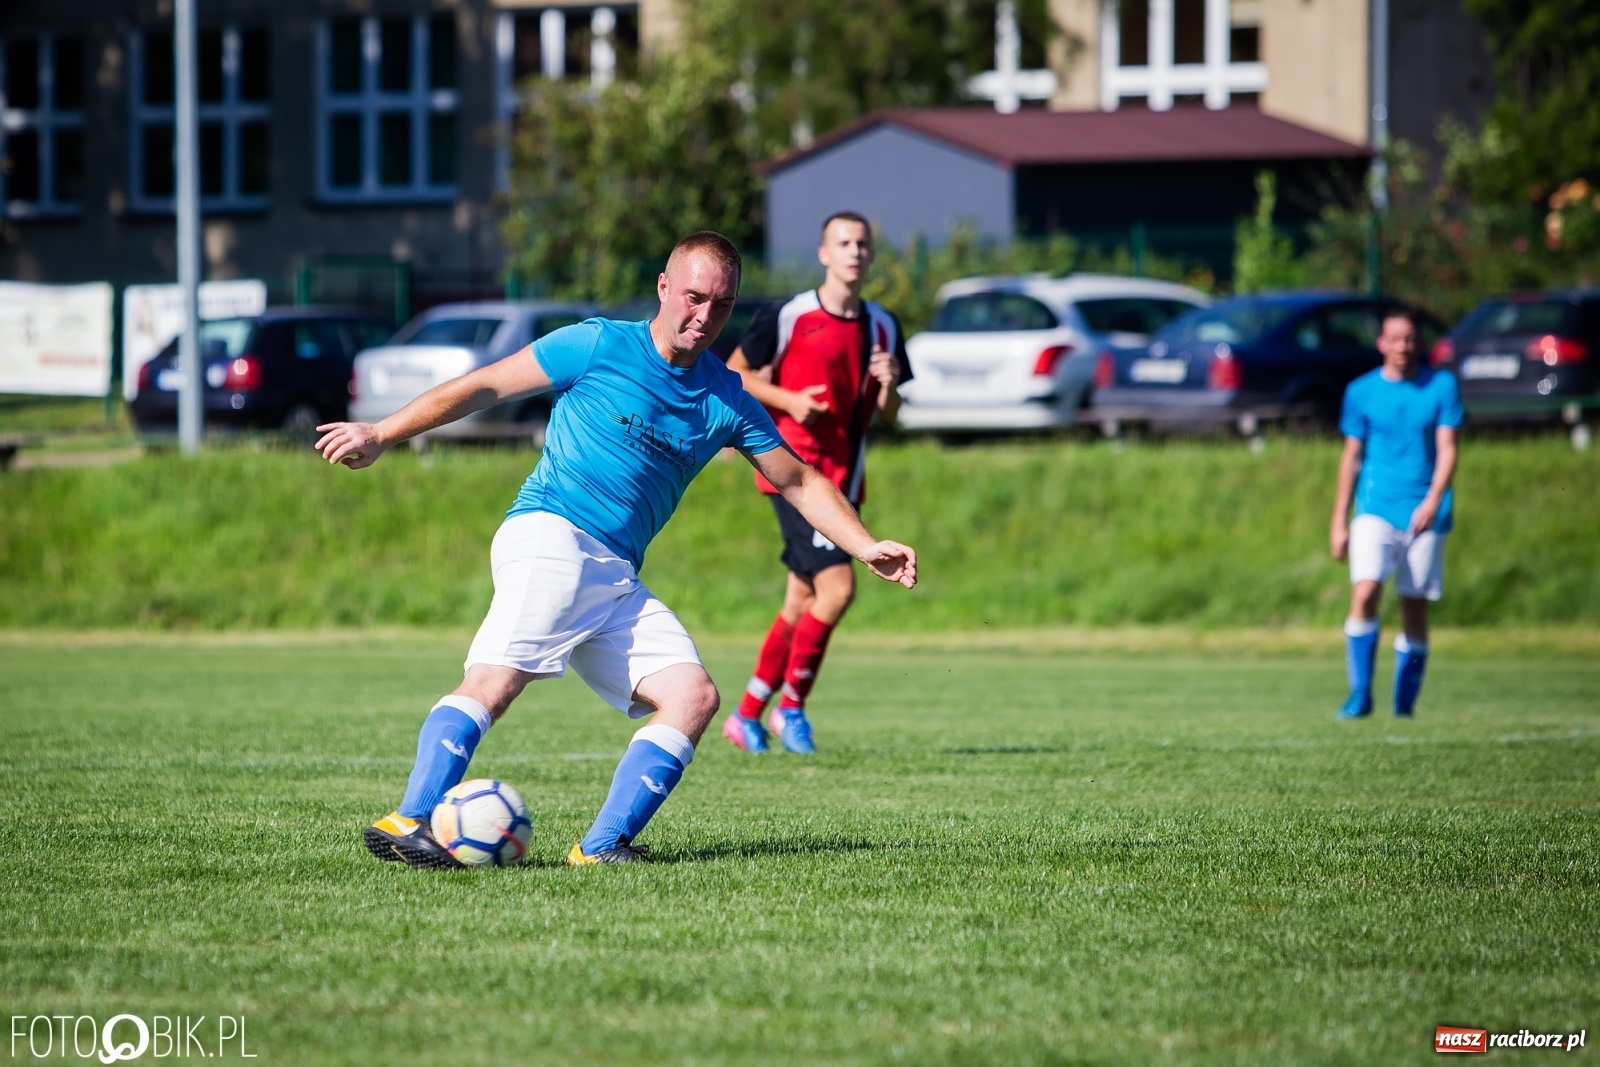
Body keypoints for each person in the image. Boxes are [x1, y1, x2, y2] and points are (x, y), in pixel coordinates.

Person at [315, 231, 918, 867]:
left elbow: (797, 477)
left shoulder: (726, 395)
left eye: (721, 304)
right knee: (495, 679)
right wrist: (381, 431)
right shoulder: (598, 343)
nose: (704, 316)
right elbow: (486, 386)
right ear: (663, 287)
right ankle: (411, 818)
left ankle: (601, 850)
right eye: (693, 297)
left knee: (692, 697)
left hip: (614, 571)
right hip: (554, 532)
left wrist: (863, 544)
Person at [720, 211, 911, 755]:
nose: (854, 251)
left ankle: (748, 713)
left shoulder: (884, 325)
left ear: (871, 255)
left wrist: (889, 384)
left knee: (802, 599)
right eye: (843, 242)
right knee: (839, 589)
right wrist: (790, 402)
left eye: (863, 243)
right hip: (795, 474)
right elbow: (735, 375)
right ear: (824, 253)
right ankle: (791, 708)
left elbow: (891, 415)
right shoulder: (790, 315)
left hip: (846, 481)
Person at [1329, 307, 1462, 719]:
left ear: (1418, 342)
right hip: (1375, 507)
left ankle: (1404, 705)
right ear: (1381, 343)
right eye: (1394, 338)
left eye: (1410, 339)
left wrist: (1433, 499)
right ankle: (1360, 695)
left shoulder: (1441, 385)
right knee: (1365, 590)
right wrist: (1338, 520)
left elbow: (1448, 449)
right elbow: (1351, 458)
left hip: (1425, 512)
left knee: (1413, 607)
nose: (1403, 346)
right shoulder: (1361, 391)